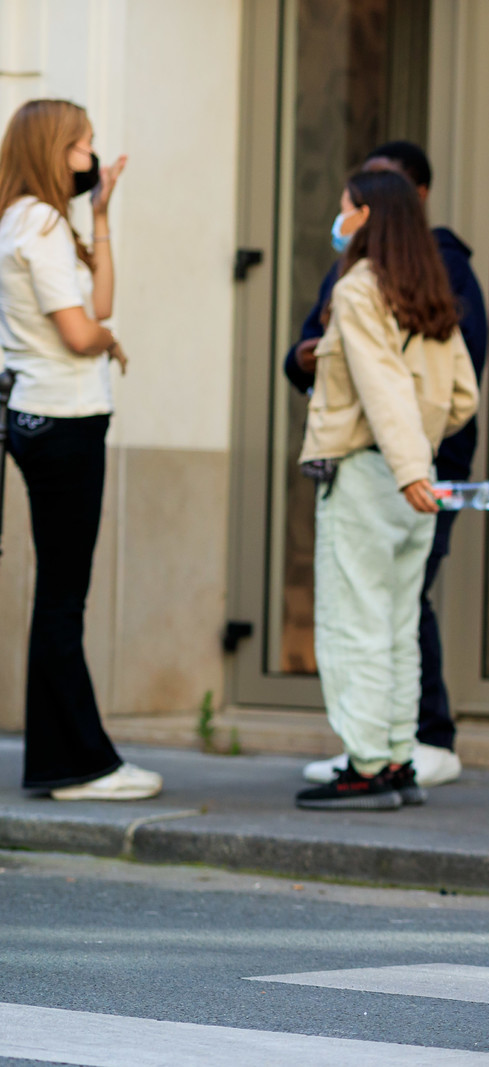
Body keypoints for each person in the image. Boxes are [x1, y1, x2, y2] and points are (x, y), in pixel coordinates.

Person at [291, 142, 488, 790]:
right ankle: (399, 756)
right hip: (417, 477)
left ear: (368, 214)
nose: (339, 217)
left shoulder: (356, 288)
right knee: (399, 625)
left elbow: (379, 386)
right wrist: (419, 458)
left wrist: (403, 469)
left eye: (347, 208)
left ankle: (368, 764)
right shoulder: (427, 288)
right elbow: (462, 395)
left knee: (356, 623)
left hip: (374, 475)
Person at [0, 99, 158, 801]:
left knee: (59, 598)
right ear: (56, 148)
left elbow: (100, 302)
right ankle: (83, 765)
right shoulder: (37, 221)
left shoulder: (33, 219)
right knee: (65, 599)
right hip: (62, 421)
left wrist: (100, 217)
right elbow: (81, 327)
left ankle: (58, 762)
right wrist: (109, 341)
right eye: (85, 145)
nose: (93, 156)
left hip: (46, 418)